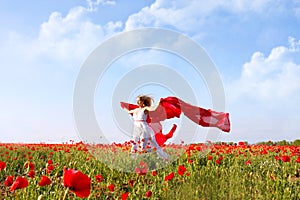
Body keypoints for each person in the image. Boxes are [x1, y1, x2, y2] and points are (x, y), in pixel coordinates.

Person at [124, 95, 169, 160]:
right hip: (136, 128)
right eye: (137, 101)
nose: (138, 102)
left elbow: (153, 109)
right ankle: (133, 160)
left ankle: (164, 157)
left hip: (144, 128)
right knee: (134, 143)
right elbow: (128, 111)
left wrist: (159, 103)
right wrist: (121, 106)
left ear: (143, 101)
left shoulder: (145, 109)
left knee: (145, 145)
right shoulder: (136, 110)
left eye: (139, 101)